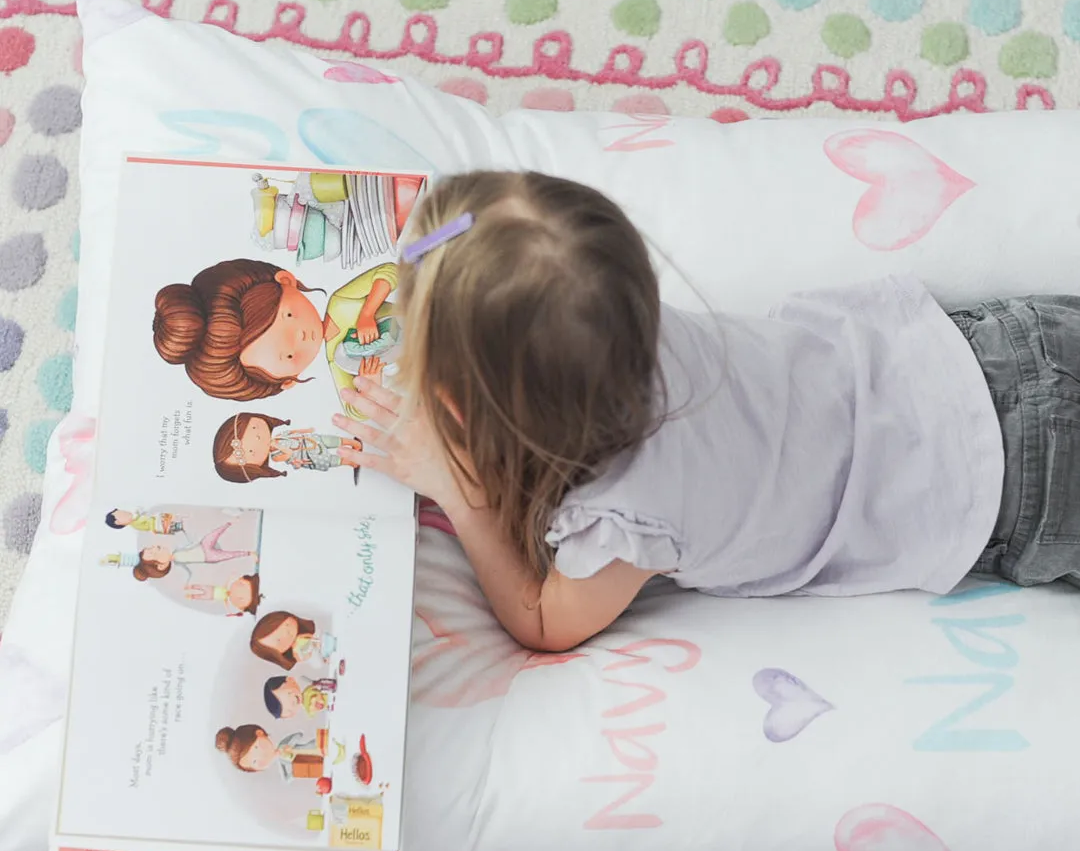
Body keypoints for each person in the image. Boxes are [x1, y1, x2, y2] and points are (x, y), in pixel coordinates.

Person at [330, 170, 1080, 654]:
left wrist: (461, 491)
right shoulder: (620, 326)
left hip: (1021, 492)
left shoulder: (626, 520)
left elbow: (543, 620)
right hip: (995, 346)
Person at [153, 259, 392, 402]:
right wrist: (372, 383)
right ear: (286, 383)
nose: (299, 336)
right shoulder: (338, 362)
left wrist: (368, 313)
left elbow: (389, 272)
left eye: (288, 316)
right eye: (288, 356)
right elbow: (355, 410)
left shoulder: (341, 303)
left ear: (286, 280)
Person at [212, 413, 363, 482]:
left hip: (308, 440)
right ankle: (351, 462)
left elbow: (292, 433)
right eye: (250, 452)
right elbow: (289, 453)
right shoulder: (276, 456)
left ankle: (354, 444)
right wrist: (276, 446)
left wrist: (306, 431)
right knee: (330, 460)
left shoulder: (280, 436)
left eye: (252, 429)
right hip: (308, 456)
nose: (257, 438)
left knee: (330, 440)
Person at [131, 522, 256, 582]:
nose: (156, 547)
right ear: (161, 565)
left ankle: (230, 523)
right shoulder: (178, 562)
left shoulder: (176, 550)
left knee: (213, 534)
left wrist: (183, 529)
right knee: (227, 555)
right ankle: (249, 553)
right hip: (208, 557)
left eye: (154, 547)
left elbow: (188, 542)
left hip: (202, 546)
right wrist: (188, 581)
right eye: (154, 552)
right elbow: (188, 571)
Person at [214, 724, 323, 780]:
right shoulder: (281, 761)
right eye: (255, 762)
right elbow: (287, 778)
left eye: (256, 748)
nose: (261, 758)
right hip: (318, 765)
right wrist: (296, 772)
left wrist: (289, 745)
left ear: (259, 733)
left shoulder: (283, 746)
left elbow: (299, 735)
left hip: (318, 747)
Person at [249, 610, 336, 670]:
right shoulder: (298, 650)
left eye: (285, 625)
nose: (285, 634)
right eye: (279, 640)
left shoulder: (315, 620)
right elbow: (318, 664)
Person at [184, 573, 261, 617]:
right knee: (201, 587)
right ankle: (190, 588)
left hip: (212, 596)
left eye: (240, 598)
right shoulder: (226, 589)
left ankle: (191, 595)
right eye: (240, 584)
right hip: (213, 590)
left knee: (201, 596)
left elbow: (226, 603)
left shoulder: (226, 599)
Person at [263, 674, 337, 718]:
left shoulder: (309, 691)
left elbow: (319, 690)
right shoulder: (307, 707)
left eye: (289, 693)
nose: (293, 704)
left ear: (290, 680)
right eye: (290, 712)